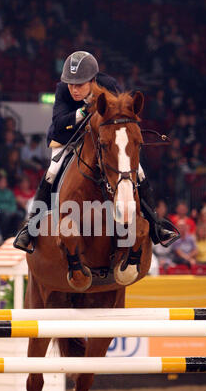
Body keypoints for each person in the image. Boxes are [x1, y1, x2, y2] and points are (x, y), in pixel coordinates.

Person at [14, 51, 179, 252]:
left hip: (100, 140)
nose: (74, 89)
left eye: (80, 84)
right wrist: (84, 111)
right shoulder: (62, 90)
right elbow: (58, 123)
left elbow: (121, 113)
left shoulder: (108, 85)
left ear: (92, 80)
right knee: (52, 172)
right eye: (71, 84)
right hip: (68, 140)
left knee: (139, 171)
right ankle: (30, 229)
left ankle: (156, 226)